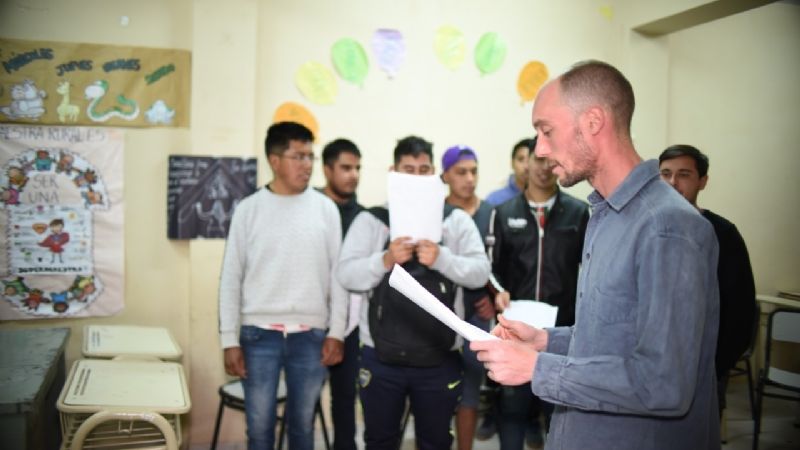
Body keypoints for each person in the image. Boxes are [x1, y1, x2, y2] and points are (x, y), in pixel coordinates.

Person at [471, 60, 721, 450]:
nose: (539, 149)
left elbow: (664, 382)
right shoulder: (604, 216)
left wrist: (538, 368)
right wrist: (543, 340)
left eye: (546, 130)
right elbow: (611, 337)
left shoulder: (667, 227)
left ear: (592, 122)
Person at [337, 136, 490, 450]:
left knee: (435, 443)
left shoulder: (455, 220)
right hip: (381, 357)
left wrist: (443, 259)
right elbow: (346, 274)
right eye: (409, 169)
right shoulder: (372, 220)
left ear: (434, 173)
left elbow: (480, 272)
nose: (417, 177)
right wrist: (385, 259)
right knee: (380, 441)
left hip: (440, 358)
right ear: (394, 172)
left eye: (424, 170)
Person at [219, 121, 347, 450]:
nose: (307, 165)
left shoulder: (326, 209)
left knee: (302, 428)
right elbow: (231, 277)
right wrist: (229, 339)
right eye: (298, 156)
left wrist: (336, 331)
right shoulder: (248, 210)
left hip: (311, 336)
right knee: (259, 430)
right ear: (275, 160)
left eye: (310, 157)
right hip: (258, 335)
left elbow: (339, 276)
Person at [490, 136, 589, 450]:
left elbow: (590, 270)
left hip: (561, 333)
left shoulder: (579, 213)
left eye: (551, 160)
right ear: (526, 162)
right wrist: (498, 291)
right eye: (537, 159)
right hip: (516, 330)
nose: (544, 167)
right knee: (512, 410)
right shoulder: (504, 213)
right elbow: (490, 268)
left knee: (559, 412)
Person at [658, 144, 757, 417]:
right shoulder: (647, 230)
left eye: (684, 174)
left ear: (702, 181)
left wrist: (714, 366)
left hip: (704, 369)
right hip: (652, 366)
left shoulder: (723, 235)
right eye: (665, 174)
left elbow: (740, 310)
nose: (672, 182)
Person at [440, 145, 496, 450]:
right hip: (441, 312)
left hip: (477, 314)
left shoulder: (490, 213)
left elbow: (497, 265)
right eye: (461, 172)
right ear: (445, 175)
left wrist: (492, 296)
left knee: (470, 390)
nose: (469, 178)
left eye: (473, 171)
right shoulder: (436, 213)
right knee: (437, 387)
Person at [318, 138, 364, 450]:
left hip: (349, 324)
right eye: (346, 167)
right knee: (302, 401)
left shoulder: (364, 216)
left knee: (345, 399)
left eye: (358, 168)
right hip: (308, 320)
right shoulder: (310, 209)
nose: (353, 174)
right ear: (327, 169)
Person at [485, 139, 535, 206]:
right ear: (512, 163)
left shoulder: (546, 198)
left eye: (530, 159)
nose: (526, 166)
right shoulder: (495, 200)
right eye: (521, 159)